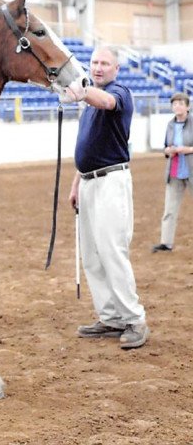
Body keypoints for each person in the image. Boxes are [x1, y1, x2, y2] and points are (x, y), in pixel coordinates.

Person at [67, 46, 149, 349]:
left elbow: (106, 101)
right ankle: (111, 317)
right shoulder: (90, 102)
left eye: (105, 63)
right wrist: (77, 182)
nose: (98, 67)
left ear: (116, 69)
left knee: (112, 251)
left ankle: (134, 318)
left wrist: (82, 91)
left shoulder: (119, 93)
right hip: (89, 182)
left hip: (111, 181)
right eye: (94, 63)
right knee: (92, 254)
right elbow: (88, 146)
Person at [152, 92, 193, 253]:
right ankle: (166, 242)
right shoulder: (170, 124)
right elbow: (165, 147)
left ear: (187, 106)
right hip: (174, 172)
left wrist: (187, 149)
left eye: (181, 103)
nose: (177, 106)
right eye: (175, 104)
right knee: (169, 209)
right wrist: (169, 150)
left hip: (191, 171)